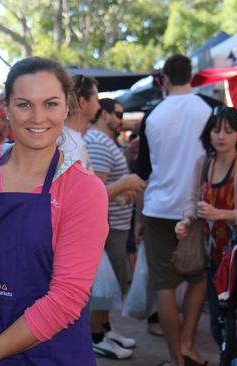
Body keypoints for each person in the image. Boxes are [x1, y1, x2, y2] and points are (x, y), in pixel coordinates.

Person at [0, 57, 108, 365]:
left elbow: (66, 300)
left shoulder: (83, 190)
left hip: (48, 353)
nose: (38, 117)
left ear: (67, 107)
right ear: (6, 108)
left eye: (50, 103)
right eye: (24, 104)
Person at [136, 54, 220, 366]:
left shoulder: (153, 115)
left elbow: (144, 170)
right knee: (198, 277)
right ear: (192, 76)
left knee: (164, 284)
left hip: (158, 206)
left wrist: (138, 216)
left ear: (165, 79)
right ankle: (188, 344)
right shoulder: (209, 109)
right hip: (198, 206)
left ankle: (175, 357)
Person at [176, 106, 237, 350]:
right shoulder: (203, 164)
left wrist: (222, 214)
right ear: (209, 133)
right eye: (216, 130)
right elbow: (192, 201)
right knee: (219, 325)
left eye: (228, 131)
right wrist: (187, 220)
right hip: (214, 260)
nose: (221, 136)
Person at [85, 98, 143, 359]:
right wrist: (125, 185)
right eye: (117, 113)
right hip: (106, 226)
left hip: (115, 224)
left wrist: (122, 195)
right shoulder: (96, 143)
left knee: (111, 285)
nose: (121, 119)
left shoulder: (102, 141)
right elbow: (95, 192)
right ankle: (97, 335)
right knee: (105, 287)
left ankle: (104, 329)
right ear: (104, 114)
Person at [59, 74, 100, 169]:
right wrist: (122, 184)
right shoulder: (68, 145)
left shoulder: (69, 138)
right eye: (96, 100)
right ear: (83, 102)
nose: (99, 106)